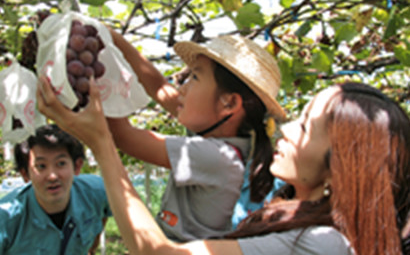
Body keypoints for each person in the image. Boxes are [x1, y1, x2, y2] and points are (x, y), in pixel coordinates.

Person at [37, 79, 410, 254]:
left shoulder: (322, 244)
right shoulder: (292, 213)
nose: (287, 128)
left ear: (339, 167)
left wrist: (101, 143)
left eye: (307, 124)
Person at [104, 33, 287, 241]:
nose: (182, 86)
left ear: (229, 104)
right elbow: (159, 88)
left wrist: (103, 74)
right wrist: (114, 39)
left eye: (195, 77)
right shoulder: (220, 136)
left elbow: (123, 136)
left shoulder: (215, 157)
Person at [0, 124, 112, 255]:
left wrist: (92, 248)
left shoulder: (97, 191)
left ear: (77, 166)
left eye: (61, 163)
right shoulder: (6, 218)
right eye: (41, 166)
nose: (52, 176)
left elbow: (104, 212)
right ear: (25, 174)